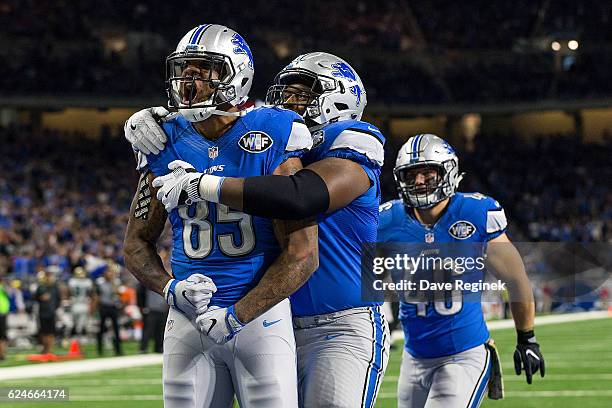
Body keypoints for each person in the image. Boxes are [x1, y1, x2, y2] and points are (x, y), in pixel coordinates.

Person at [127, 52, 390, 407]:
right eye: (283, 93)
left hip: (339, 325)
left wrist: (203, 185)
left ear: (341, 98)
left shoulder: (351, 140)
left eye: (302, 94)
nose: (288, 103)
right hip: (273, 311)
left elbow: (299, 197)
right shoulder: (273, 140)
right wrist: (159, 118)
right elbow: (222, 132)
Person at [122, 24, 318, 408]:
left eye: (201, 71)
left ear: (236, 75)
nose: (188, 82)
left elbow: (303, 252)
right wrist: (168, 289)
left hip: (259, 316)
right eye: (184, 71)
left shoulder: (274, 131)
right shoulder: (162, 138)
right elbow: (135, 243)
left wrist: (238, 315)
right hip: (187, 318)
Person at [377, 134, 545, 407]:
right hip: (413, 358)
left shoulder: (474, 213)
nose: (418, 182)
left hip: (462, 355)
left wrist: (527, 338)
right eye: (411, 175)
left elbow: (516, 279)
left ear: (448, 171)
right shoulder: (387, 221)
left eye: (427, 173)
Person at [93, 267, 123, 356]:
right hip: (103, 306)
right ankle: (99, 349)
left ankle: (118, 350)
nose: (110, 274)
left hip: (113, 306)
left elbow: (118, 294)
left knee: (116, 329)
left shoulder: (115, 282)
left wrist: (114, 285)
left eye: (111, 272)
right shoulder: (100, 282)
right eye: (108, 272)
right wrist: (95, 308)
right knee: (101, 328)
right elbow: (97, 295)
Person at [34, 269, 62, 354]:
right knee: (43, 332)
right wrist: (41, 298)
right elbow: (35, 298)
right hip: (42, 313)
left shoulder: (55, 288)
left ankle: (49, 349)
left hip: (51, 313)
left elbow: (58, 300)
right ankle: (45, 348)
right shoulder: (41, 287)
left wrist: (54, 309)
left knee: (51, 332)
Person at [137, 283, 168, 353]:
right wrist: (142, 307)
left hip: (161, 310)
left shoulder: (163, 285)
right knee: (148, 330)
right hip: (151, 310)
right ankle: (143, 348)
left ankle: (159, 348)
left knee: (160, 330)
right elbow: (140, 294)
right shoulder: (148, 285)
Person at [68, 267, 93, 341]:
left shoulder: (72, 281)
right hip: (83, 303)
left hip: (75, 303)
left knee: (75, 322)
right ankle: (80, 337)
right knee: (82, 323)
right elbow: (90, 293)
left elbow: (69, 292)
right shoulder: (88, 282)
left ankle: (75, 337)